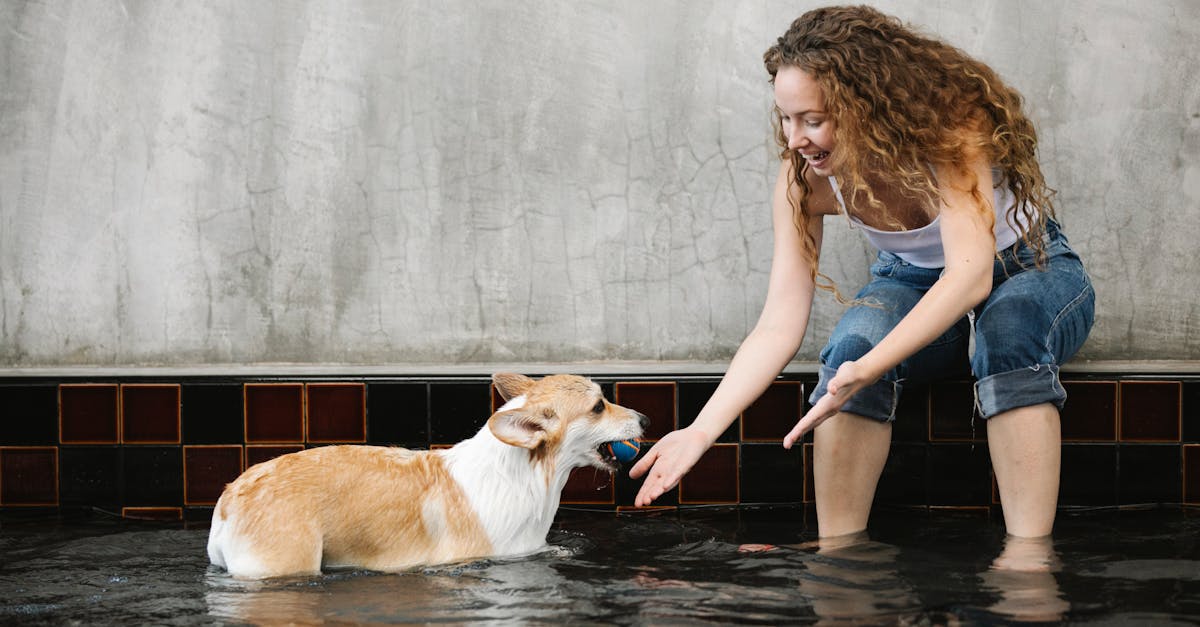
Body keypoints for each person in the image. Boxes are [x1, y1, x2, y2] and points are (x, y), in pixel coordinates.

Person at [630, 5, 1095, 539]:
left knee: (1008, 329)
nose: (795, 138)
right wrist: (700, 430)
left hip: (1025, 265)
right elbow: (779, 322)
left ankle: (1028, 567)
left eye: (813, 119)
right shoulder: (803, 179)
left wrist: (873, 366)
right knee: (851, 349)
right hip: (910, 278)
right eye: (786, 117)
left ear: (866, 104)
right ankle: (840, 568)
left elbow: (971, 277)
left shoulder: (951, 126)